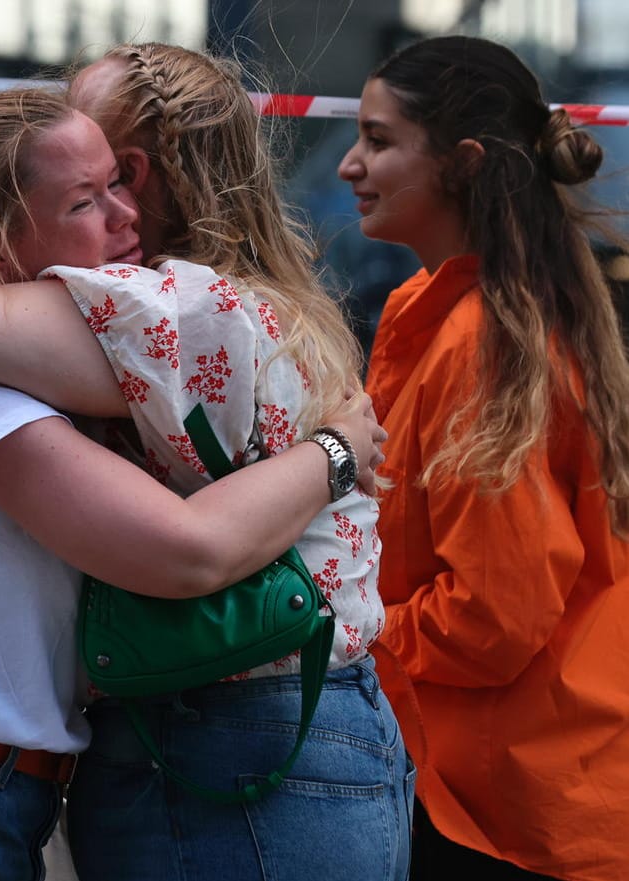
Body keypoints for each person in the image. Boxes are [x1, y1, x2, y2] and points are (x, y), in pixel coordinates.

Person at [0, 86, 386, 881]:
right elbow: (185, 551)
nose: (126, 216)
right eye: (87, 200)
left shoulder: (26, 379)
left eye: (121, 183)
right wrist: (335, 451)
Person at [337, 35, 629, 881]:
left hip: (509, 806)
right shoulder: (476, 310)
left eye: (380, 140)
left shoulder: (482, 341)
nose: (351, 165)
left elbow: (492, 614)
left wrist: (346, 631)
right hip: (530, 777)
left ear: (463, 163)